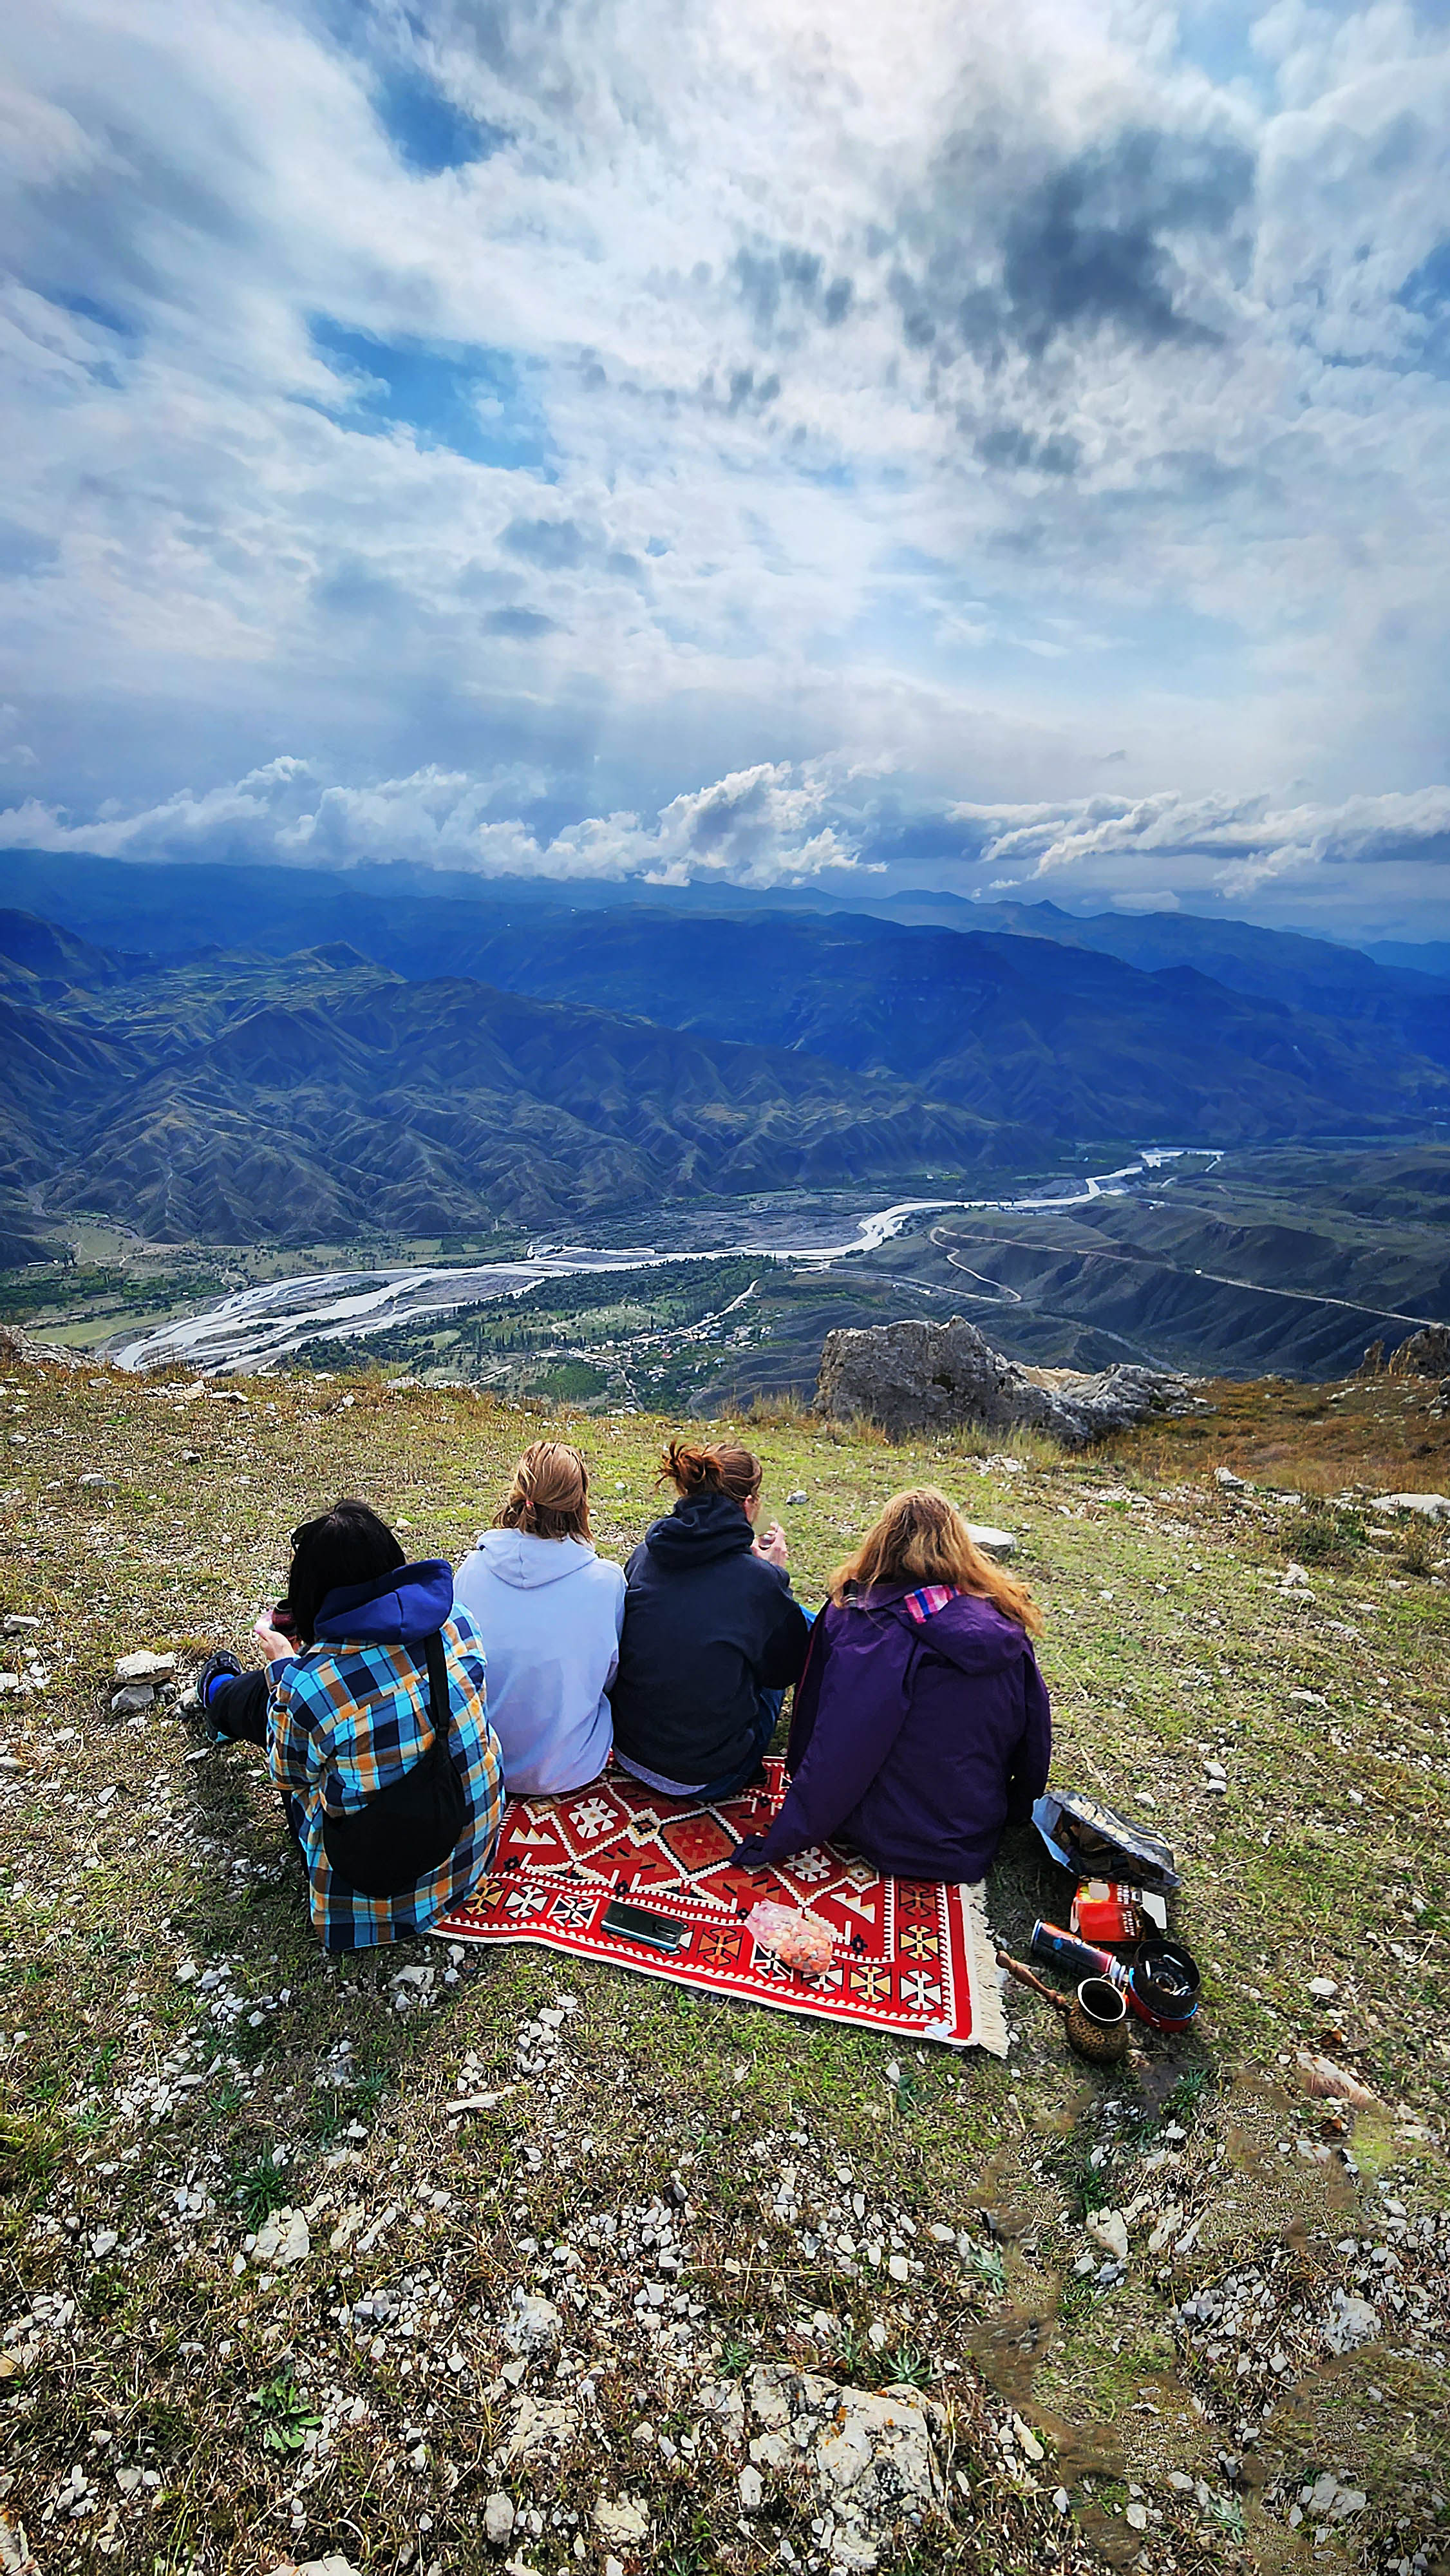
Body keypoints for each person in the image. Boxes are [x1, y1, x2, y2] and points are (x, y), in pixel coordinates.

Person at [193, 1500, 504, 1951]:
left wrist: (285, 1670)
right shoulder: (458, 1618)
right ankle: (221, 1694)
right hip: (470, 1850)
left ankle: (218, 1694)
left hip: (381, 1892)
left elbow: (289, 1775)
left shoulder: (311, 1685)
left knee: (273, 1701)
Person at [731, 1486, 1050, 1882]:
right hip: (969, 1828)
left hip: (885, 1833)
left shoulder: (857, 1620)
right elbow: (1035, 1734)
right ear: (959, 1545)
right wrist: (1018, 1806)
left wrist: (793, 1822)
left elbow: (837, 1741)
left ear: (881, 1541)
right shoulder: (1004, 1624)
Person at [609, 1437, 811, 1800]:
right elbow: (784, 1671)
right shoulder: (759, 1584)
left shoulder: (645, 1555)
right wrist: (776, 1578)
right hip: (708, 1774)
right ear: (748, 1505)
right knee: (799, 1629)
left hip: (628, 1751)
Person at [451, 1440, 625, 1795]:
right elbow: (610, 1676)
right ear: (580, 1503)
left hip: (484, 1763)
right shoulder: (606, 1581)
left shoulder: (471, 1571)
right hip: (572, 1768)